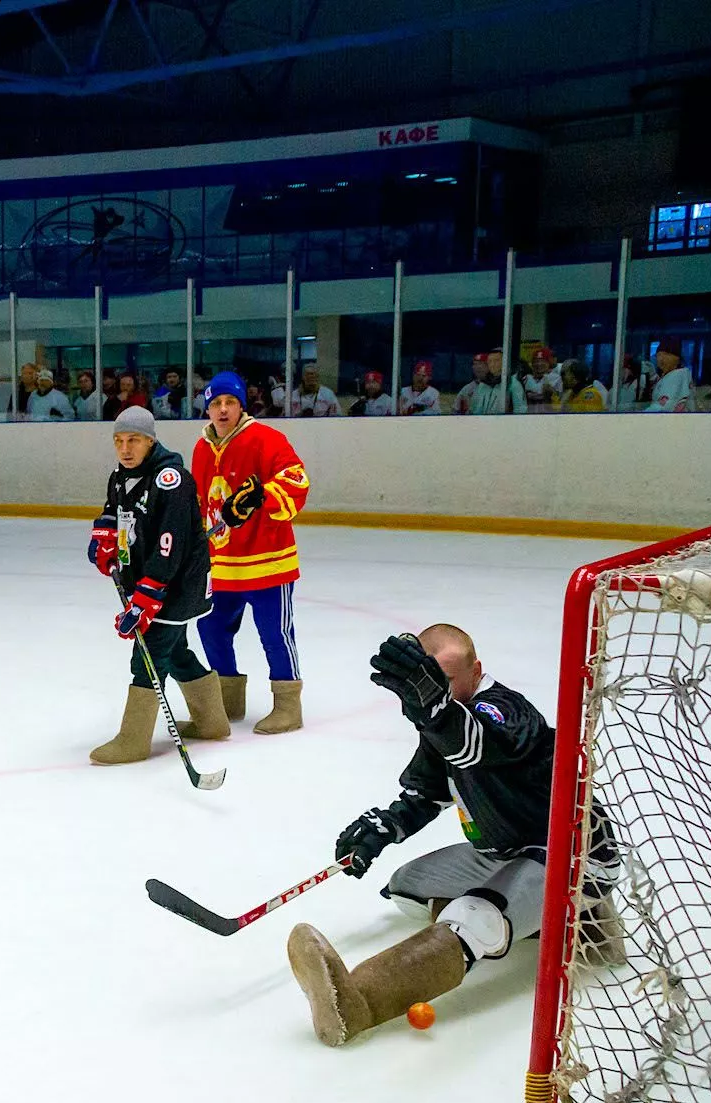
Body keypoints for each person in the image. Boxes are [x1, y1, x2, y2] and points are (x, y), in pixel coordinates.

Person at [285, 625, 613, 1046]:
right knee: (408, 886)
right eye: (427, 682)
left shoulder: (507, 711)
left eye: (447, 680)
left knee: (477, 914)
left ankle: (360, 1003)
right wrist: (382, 830)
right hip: (504, 852)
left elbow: (473, 744)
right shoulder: (441, 719)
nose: (437, 692)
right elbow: (427, 793)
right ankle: (559, 923)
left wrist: (434, 707)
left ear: (477, 670)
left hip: (572, 856)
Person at [87, 407, 225, 763]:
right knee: (175, 652)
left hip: (177, 586)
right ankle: (212, 722)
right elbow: (114, 509)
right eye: (119, 441)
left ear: (150, 441)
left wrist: (147, 597)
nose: (125, 448)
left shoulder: (171, 481)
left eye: (133, 440)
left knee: (148, 655)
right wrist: (105, 536)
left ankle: (133, 741)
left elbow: (170, 545)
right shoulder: (121, 476)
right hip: (152, 584)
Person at [191, 372, 311, 735]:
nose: (222, 409)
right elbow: (199, 503)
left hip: (268, 563)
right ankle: (228, 701)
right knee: (211, 627)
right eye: (216, 403)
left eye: (230, 402)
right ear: (208, 409)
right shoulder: (201, 449)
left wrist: (264, 495)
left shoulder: (267, 439)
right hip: (222, 565)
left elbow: (297, 481)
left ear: (241, 405)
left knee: (274, 634)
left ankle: (288, 707)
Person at [453, 352, 522, 415]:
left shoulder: (508, 384)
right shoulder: (468, 388)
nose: (478, 367)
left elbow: (520, 410)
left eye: (482, 364)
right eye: (475, 364)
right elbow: (456, 410)